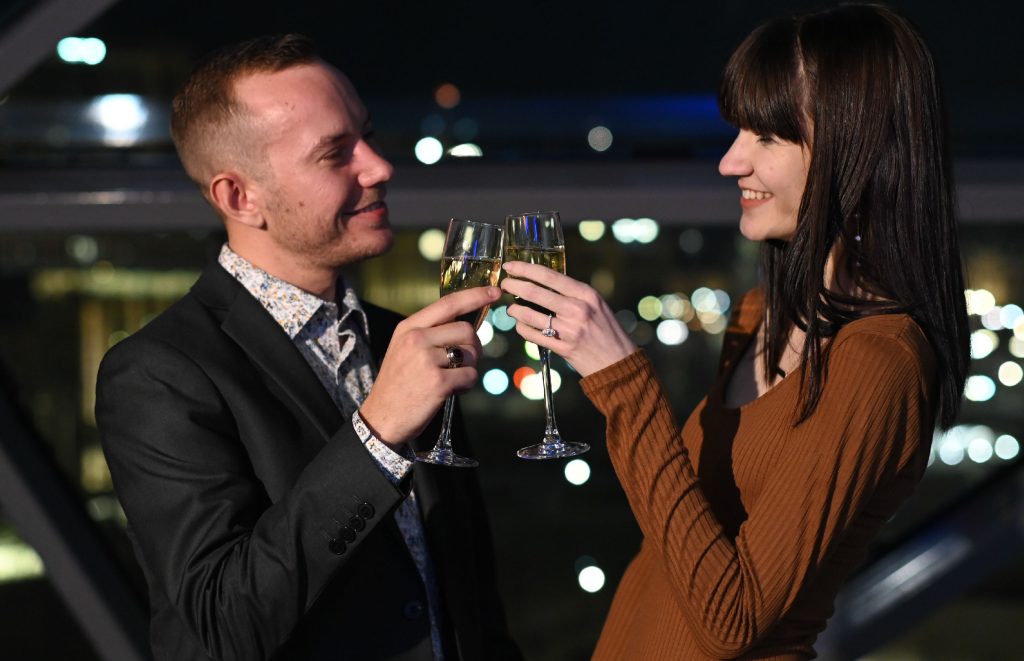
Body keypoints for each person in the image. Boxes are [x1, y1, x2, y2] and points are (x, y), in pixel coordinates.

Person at [501, 4, 969, 659]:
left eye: (767, 136)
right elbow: (678, 546)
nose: (730, 161)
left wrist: (625, 383)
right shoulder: (759, 314)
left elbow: (733, 617)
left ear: (859, 145)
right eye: (739, 131)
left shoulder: (878, 363)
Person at [95, 34, 520, 661]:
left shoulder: (397, 337)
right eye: (334, 153)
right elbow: (224, 624)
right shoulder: (156, 374)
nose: (379, 166)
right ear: (239, 197)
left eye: (366, 136)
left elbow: (471, 598)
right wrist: (376, 435)